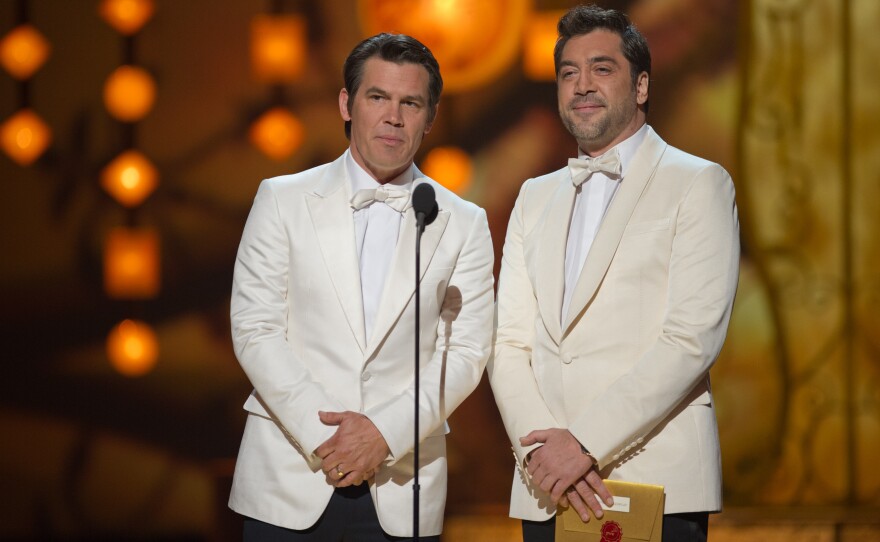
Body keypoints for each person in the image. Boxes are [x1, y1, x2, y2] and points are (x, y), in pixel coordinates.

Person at [228, 33, 495, 541]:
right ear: (347, 104)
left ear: (429, 118)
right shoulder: (282, 200)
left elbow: (466, 352)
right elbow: (255, 328)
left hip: (403, 485)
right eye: (378, 97)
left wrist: (383, 433)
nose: (393, 116)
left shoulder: (463, 221)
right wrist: (329, 439)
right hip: (289, 479)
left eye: (410, 103)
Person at [487, 4, 740, 542]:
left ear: (641, 85)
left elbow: (691, 338)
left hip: (652, 479)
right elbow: (508, 342)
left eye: (602, 69)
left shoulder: (698, 183)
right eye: (569, 72)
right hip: (546, 486)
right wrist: (543, 455)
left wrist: (581, 443)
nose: (582, 85)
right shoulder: (533, 197)